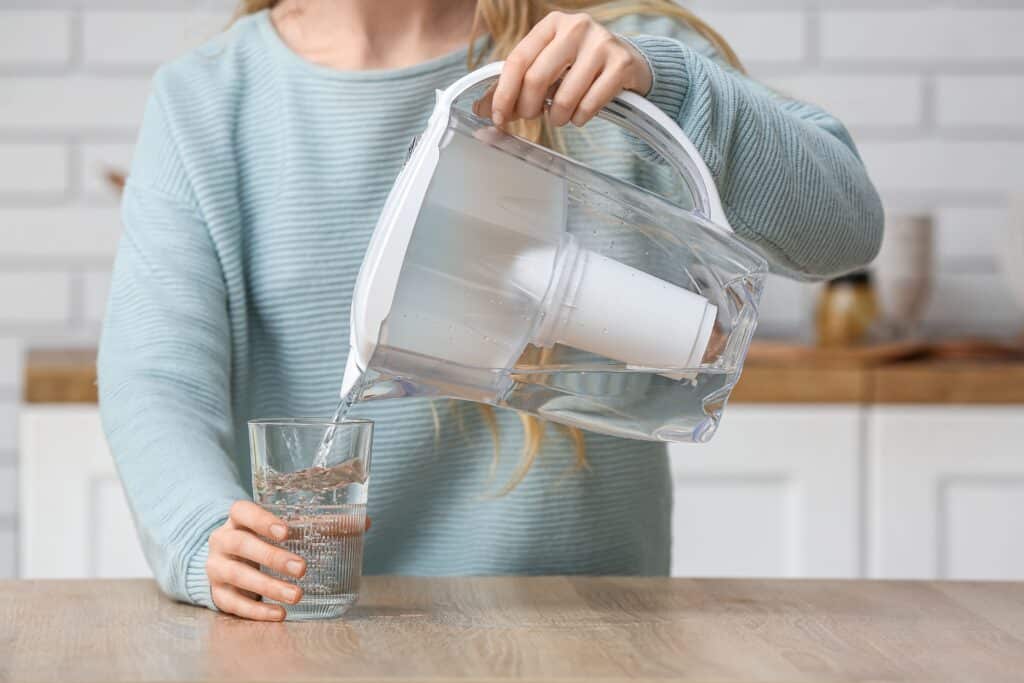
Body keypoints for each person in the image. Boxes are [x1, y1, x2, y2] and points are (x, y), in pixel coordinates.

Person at [98, 0, 883, 621]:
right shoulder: (207, 101)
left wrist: (664, 82)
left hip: (595, 632)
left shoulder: (598, 58)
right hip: (323, 629)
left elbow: (847, 228)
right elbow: (157, 378)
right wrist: (200, 532)